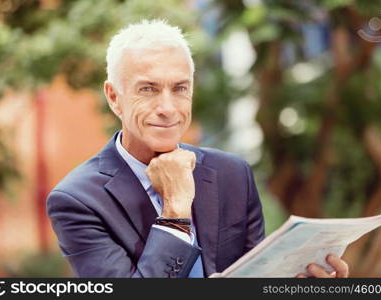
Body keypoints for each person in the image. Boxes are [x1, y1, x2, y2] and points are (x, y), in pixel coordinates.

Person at [46, 19, 349, 278]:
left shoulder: (232, 174)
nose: (167, 108)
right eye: (147, 89)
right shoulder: (77, 200)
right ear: (114, 97)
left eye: (180, 89)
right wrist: (175, 210)